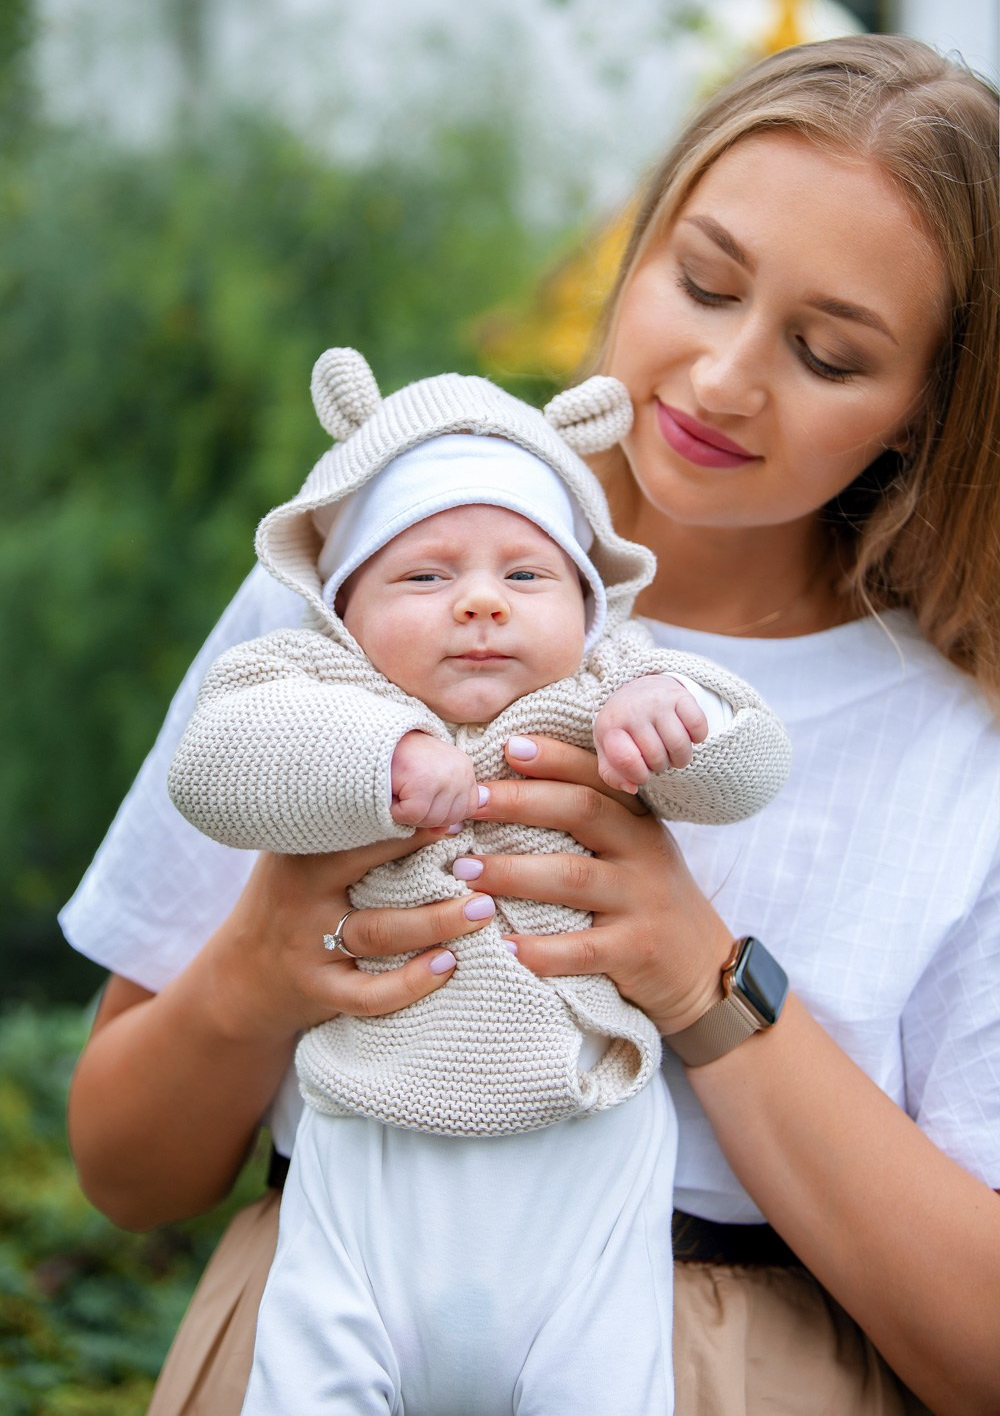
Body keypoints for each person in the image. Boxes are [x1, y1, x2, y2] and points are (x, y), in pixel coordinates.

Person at [60, 34, 999, 1416]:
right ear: (637, 242)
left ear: (930, 409)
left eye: (826, 351)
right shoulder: (359, 595)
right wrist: (259, 967)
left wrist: (700, 979)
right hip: (327, 1321)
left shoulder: (957, 750)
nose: (727, 377)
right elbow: (123, 1168)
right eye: (704, 280)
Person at [164, 348, 790, 1414]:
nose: (482, 604)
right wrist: (380, 760)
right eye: (424, 573)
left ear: (588, 606)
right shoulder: (318, 681)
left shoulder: (608, 683)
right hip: (370, 1151)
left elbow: (753, 762)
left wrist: (674, 726)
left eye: (526, 574)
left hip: (579, 1148)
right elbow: (212, 765)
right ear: (343, 607)